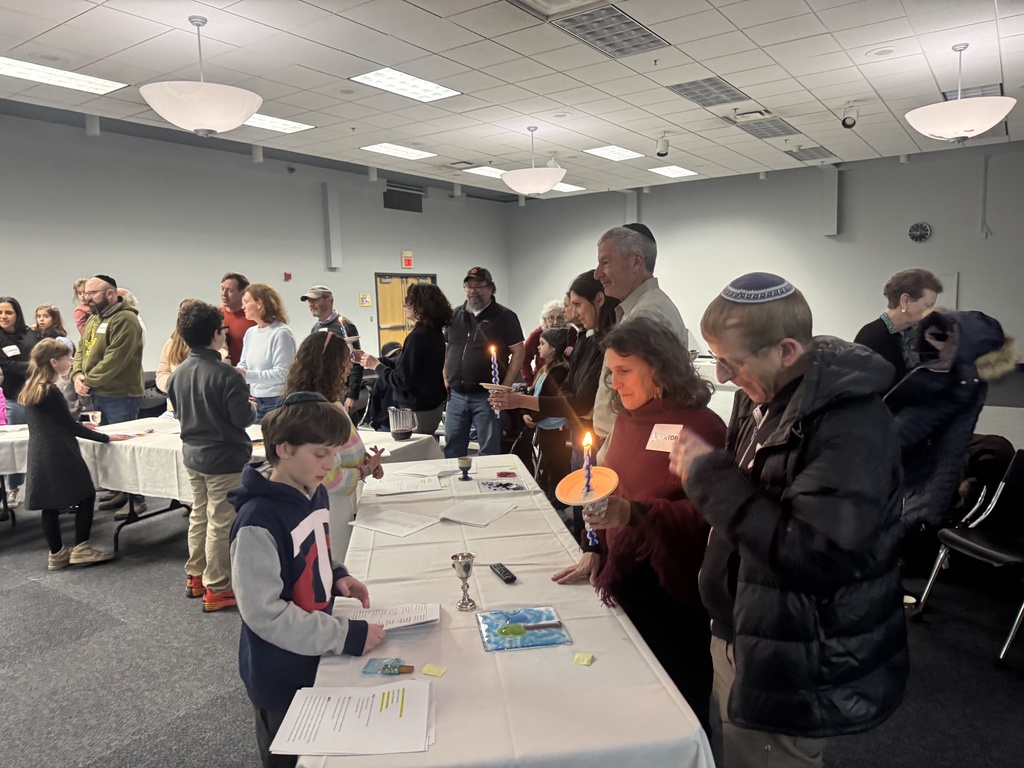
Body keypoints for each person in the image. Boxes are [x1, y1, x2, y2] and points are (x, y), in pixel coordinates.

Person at [668, 272, 908, 767]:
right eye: (714, 358)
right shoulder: (762, 394)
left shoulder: (850, 425)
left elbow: (814, 553)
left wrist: (709, 477)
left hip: (797, 648)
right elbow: (758, 493)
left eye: (732, 362)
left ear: (787, 350)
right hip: (752, 627)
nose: (722, 377)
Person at [555, 317, 726, 733]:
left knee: (677, 703)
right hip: (626, 577)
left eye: (625, 371)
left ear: (660, 368)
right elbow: (607, 489)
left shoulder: (701, 426)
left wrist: (636, 514)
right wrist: (594, 546)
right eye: (611, 371)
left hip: (672, 590)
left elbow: (710, 517)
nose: (614, 383)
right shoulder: (628, 420)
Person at [228, 393, 387, 768]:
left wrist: (337, 577)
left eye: (334, 453)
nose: (331, 464)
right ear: (283, 449)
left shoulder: (313, 492)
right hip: (279, 670)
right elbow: (265, 614)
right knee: (290, 756)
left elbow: (312, 552)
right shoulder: (257, 522)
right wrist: (345, 636)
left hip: (314, 653)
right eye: (320, 454)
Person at [489, 272, 618, 533]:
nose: (573, 312)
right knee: (580, 500)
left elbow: (580, 401)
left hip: (597, 433)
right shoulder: (583, 338)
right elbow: (568, 389)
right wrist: (569, 401)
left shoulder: (606, 343)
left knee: (594, 506)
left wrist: (522, 400)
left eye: (577, 304)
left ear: (599, 300)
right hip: (578, 429)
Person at [884, 310, 1012, 536]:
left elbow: (915, 435)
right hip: (900, 471)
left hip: (906, 477)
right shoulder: (940, 375)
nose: (939, 344)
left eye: (951, 338)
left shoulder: (954, 385)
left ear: (967, 347)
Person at [167, 302, 257, 612]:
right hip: (224, 459)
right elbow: (242, 418)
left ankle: (196, 575)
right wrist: (251, 406)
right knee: (220, 522)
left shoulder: (177, 374)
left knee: (199, 514)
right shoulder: (227, 375)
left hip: (193, 456)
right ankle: (217, 587)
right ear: (217, 335)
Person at [19, 339, 130, 570]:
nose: (71, 361)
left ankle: (57, 554)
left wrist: (78, 423)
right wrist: (106, 437)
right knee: (86, 495)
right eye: (67, 358)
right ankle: (81, 547)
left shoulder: (32, 387)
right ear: (54, 362)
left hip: (40, 453)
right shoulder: (51, 391)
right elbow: (69, 427)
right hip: (60, 452)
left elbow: (56, 421)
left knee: (49, 505)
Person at [284, 331, 385, 558]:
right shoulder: (318, 412)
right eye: (345, 361)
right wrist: (365, 471)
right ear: (329, 365)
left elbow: (342, 448)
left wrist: (365, 462)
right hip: (329, 506)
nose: (349, 367)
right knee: (336, 558)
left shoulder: (329, 404)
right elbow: (327, 476)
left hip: (338, 503)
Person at [592, 224, 687, 462]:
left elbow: (644, 398)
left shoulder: (647, 314)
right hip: (623, 440)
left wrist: (611, 455)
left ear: (635, 262)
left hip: (629, 446)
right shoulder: (641, 308)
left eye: (605, 262)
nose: (597, 274)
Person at [69, 274, 146, 515]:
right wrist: (76, 375)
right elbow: (81, 351)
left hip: (120, 394)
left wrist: (88, 381)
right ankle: (121, 491)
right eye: (84, 294)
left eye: (91, 293)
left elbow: (116, 359)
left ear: (110, 294)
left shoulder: (126, 320)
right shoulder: (94, 319)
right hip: (98, 393)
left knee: (126, 449)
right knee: (109, 448)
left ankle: (136, 499)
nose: (86, 298)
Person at [444, 267, 525, 457]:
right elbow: (447, 348)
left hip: (487, 397)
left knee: (489, 452)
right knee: (452, 449)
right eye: (469, 286)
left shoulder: (505, 317)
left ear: (491, 288)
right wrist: (445, 376)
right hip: (456, 396)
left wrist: (504, 387)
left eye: (479, 286)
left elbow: (519, 353)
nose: (473, 291)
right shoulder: (455, 315)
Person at [353, 283, 451, 436]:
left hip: (418, 411)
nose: (404, 306)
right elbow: (406, 363)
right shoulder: (435, 332)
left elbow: (402, 381)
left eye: (408, 303)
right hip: (431, 407)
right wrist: (372, 360)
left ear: (420, 307)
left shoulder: (417, 337)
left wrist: (377, 367)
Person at [854, 268, 943, 386]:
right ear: (905, 301)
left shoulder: (926, 335)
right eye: (928, 305)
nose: (931, 312)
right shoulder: (870, 336)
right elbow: (862, 385)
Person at [522, 327, 571, 508]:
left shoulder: (559, 372)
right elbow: (534, 394)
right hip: (544, 424)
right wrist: (525, 413)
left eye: (542, 344)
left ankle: (559, 505)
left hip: (555, 427)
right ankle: (550, 499)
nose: (538, 347)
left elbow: (548, 400)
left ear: (554, 348)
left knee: (556, 467)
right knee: (548, 465)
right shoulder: (545, 369)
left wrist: (532, 416)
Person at [0, 296, 40, 509]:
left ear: (17, 314)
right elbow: (6, 364)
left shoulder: (30, 334)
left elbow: (42, 354)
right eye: (0, 313)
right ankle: (13, 489)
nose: (3, 316)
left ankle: (41, 486)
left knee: (39, 442)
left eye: (8, 312)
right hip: (14, 397)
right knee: (15, 446)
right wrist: (33, 367)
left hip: (38, 396)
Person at [237, 283, 297, 422]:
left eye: (246, 302)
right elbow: (243, 364)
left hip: (276, 401)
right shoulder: (250, 333)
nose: (243, 307)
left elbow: (283, 373)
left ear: (259, 304)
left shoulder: (281, 333)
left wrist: (247, 375)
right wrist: (235, 372)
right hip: (254, 400)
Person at [301, 285, 364, 414]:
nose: (311, 304)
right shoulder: (315, 329)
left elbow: (356, 361)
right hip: (323, 390)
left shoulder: (345, 326)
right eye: (309, 301)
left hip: (342, 390)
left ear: (328, 301)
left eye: (315, 300)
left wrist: (352, 395)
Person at [521, 299, 565, 386]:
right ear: (545, 319)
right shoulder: (537, 334)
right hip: (542, 381)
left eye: (560, 318)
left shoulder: (571, 333)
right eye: (551, 318)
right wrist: (530, 382)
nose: (555, 322)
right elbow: (524, 358)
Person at [220, 272, 256, 366]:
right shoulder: (215, 315)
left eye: (230, 291)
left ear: (242, 293)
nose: (224, 294)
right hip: (220, 371)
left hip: (246, 372)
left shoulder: (253, 319)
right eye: (222, 289)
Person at [367, 341, 402, 430]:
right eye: (393, 356)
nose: (397, 359)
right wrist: (376, 425)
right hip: (387, 424)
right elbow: (375, 405)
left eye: (400, 355)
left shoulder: (407, 376)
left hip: (407, 422)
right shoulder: (381, 381)